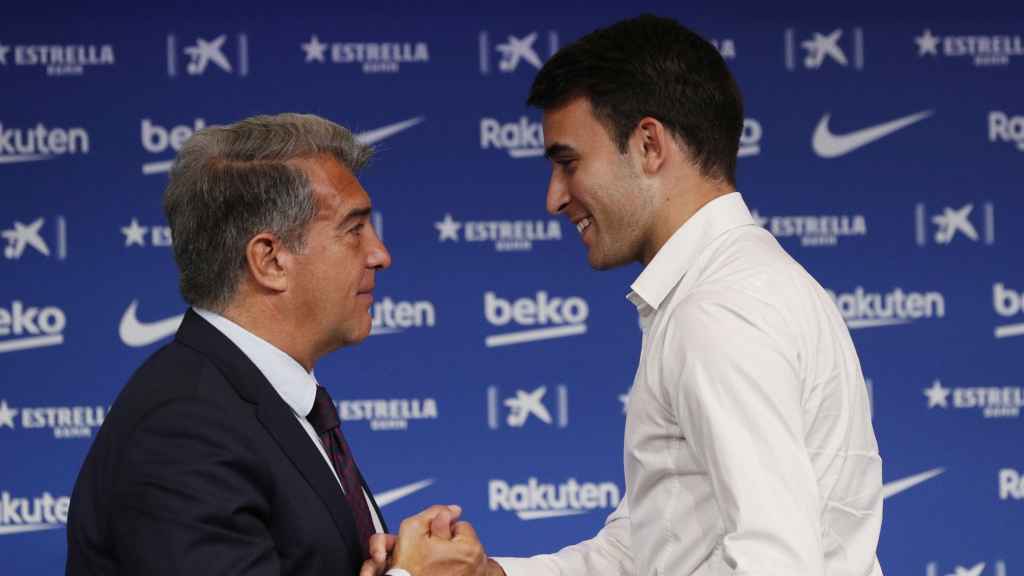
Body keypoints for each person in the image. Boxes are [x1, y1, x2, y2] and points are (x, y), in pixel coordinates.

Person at [371, 14, 883, 576]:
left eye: (568, 163)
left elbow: (777, 564)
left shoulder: (717, 310)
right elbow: (647, 548)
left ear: (647, 145)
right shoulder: (737, 287)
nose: (554, 198)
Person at [67, 113, 401, 576]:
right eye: (354, 229)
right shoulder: (184, 427)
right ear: (270, 260)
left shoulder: (259, 401)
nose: (380, 254)